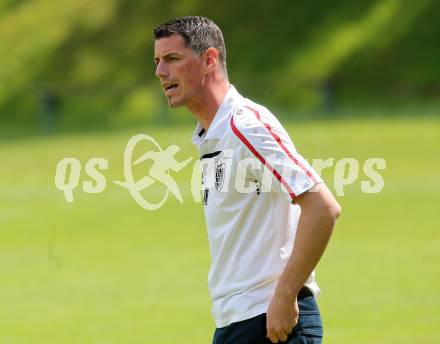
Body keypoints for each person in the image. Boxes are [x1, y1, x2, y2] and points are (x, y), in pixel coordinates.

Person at [153, 16, 341, 344]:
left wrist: (284, 296)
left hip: (273, 322)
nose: (160, 72)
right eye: (157, 61)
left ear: (209, 59)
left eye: (172, 59)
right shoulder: (212, 135)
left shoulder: (246, 126)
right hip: (237, 320)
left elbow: (322, 207)